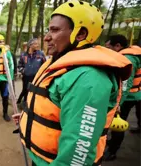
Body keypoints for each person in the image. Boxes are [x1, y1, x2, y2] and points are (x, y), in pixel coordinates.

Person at [12, 1, 132, 166]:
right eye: (49, 29)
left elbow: (77, 154)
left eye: (55, 30)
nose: (47, 37)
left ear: (81, 34)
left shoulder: (88, 79)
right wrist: (30, 115)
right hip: (42, 159)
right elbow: (54, 107)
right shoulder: (59, 63)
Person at [103, 35, 141, 161]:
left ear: (118, 46)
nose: (107, 50)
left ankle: (112, 151)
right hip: (137, 93)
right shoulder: (133, 54)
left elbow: (126, 84)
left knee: (118, 123)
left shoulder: (127, 58)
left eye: (109, 47)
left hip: (129, 96)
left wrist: (118, 103)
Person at [17, 38, 46, 105]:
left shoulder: (41, 54)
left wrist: (42, 74)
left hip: (37, 77)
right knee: (26, 91)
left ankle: (34, 105)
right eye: (35, 44)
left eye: (37, 44)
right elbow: (19, 65)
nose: (37, 45)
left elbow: (45, 65)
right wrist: (24, 71)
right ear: (30, 45)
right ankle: (24, 104)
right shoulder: (23, 55)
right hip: (26, 77)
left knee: (36, 91)